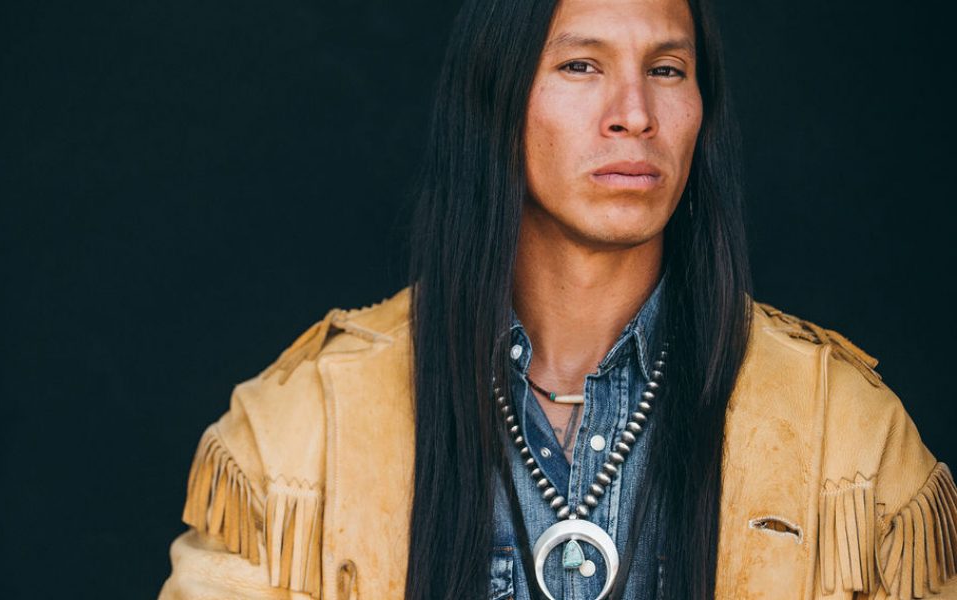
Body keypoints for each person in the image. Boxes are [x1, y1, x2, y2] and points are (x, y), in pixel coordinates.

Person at [156, 0, 957, 597]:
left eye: (667, 69)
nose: (634, 115)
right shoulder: (307, 427)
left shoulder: (843, 431)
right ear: (496, 94)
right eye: (581, 65)